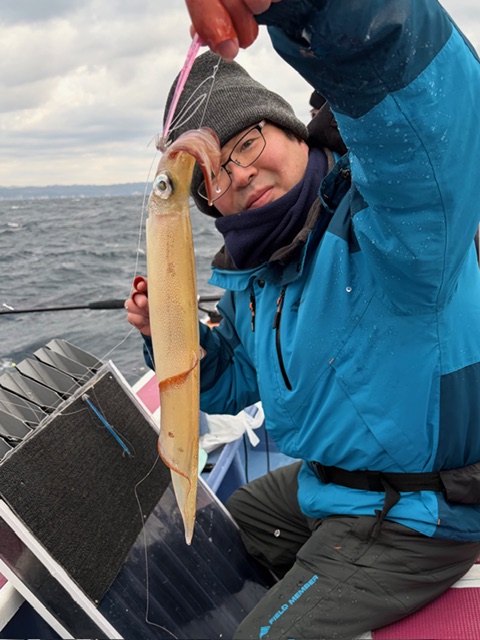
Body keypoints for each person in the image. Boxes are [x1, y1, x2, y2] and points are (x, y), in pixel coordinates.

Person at [126, 1, 480, 638]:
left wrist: (313, 7)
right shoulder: (256, 272)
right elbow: (239, 380)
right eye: (215, 174)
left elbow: (428, 113)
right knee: (234, 521)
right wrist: (169, 336)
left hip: (420, 510)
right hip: (336, 483)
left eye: (248, 141)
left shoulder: (394, 223)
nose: (240, 174)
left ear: (291, 129)